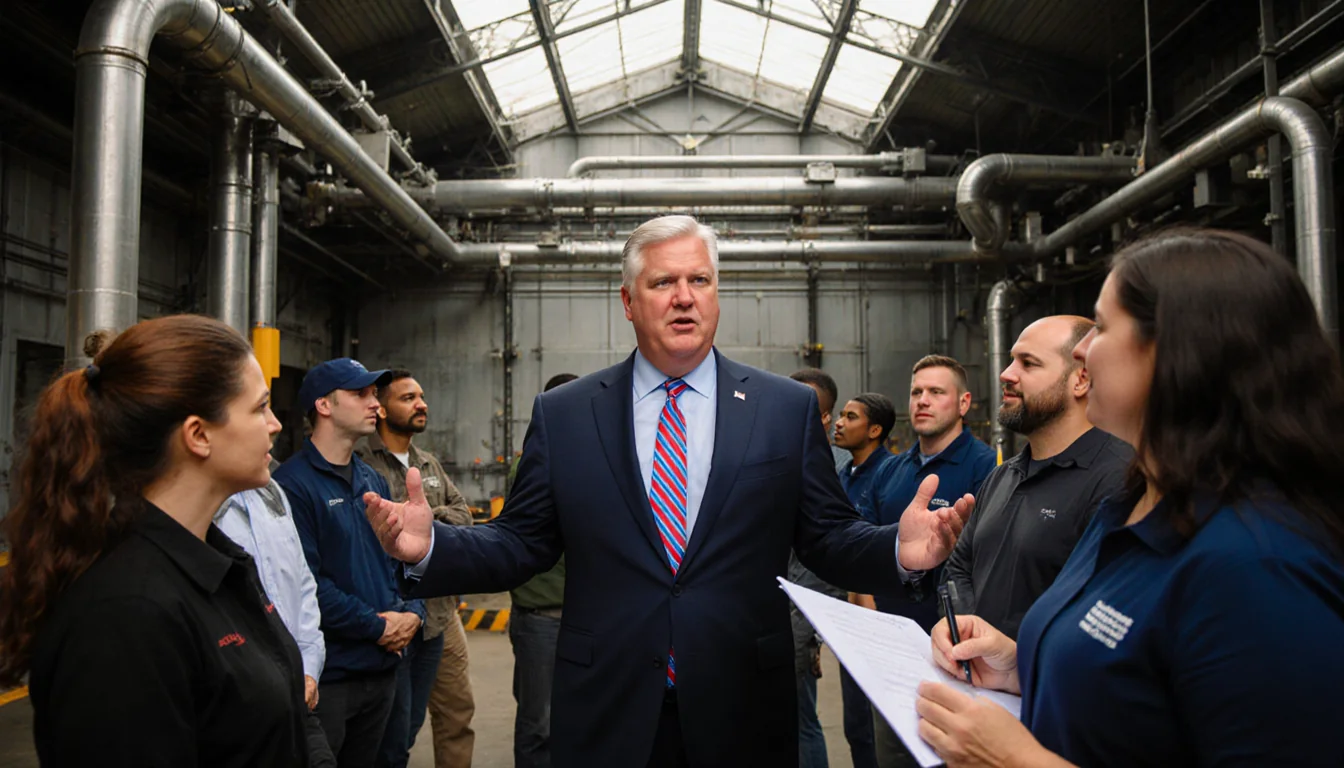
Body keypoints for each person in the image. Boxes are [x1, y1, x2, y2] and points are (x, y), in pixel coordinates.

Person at [364, 215, 972, 766]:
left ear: (716, 293)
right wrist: (432, 547)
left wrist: (897, 550)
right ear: (628, 301)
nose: (684, 296)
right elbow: (523, 541)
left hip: (744, 706)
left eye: (699, 280)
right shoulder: (567, 414)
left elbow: (827, 537)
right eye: (663, 283)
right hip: (608, 705)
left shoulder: (783, 409)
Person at [916, 229, 1344, 766]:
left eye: (1102, 327)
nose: (1081, 350)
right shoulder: (1130, 505)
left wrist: (1015, 760)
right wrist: (1020, 665)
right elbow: (1136, 686)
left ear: (1178, 354)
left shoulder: (1261, 565)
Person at [0, 316, 308, 766]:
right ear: (198, 435)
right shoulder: (126, 617)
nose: (275, 424)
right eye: (260, 407)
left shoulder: (219, 564)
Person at [926, 316, 1131, 641]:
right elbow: (958, 568)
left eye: (1028, 363)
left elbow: (1107, 614)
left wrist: (1012, 658)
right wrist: (967, 633)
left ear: (1081, 380)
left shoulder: (1120, 480)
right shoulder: (1002, 476)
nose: (1006, 374)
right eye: (1011, 360)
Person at [274, 358, 427, 768]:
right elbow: (306, 585)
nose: (374, 403)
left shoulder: (371, 480)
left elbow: (398, 560)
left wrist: (414, 613)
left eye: (374, 393)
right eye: (360, 394)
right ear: (324, 405)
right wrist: (378, 627)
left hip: (385, 669)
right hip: (332, 678)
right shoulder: (293, 486)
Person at [870, 355, 995, 768]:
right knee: (892, 756)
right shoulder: (890, 471)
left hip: (955, 657)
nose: (922, 400)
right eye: (916, 392)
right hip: (890, 651)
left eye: (936, 392)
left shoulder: (988, 470)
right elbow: (867, 547)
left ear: (963, 403)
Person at [358, 370, 476, 768]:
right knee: (399, 731)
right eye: (408, 398)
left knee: (457, 715)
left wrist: (426, 520)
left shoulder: (428, 462)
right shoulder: (363, 464)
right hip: (393, 616)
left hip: (441, 614)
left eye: (421, 396)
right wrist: (428, 523)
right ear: (381, 409)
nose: (421, 404)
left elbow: (464, 517)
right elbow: (374, 537)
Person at [216, 477, 336, 767]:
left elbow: (302, 583)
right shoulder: (198, 510)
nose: (270, 457)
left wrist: (308, 668)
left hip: (297, 696)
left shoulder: (270, 490)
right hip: (245, 710)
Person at [507, 372, 578, 768]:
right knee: (540, 723)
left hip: (580, 614)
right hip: (543, 617)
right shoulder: (532, 465)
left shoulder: (584, 458)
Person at [830, 393, 902, 768]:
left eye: (850, 416)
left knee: (880, 732)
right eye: (840, 414)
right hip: (851, 617)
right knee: (856, 726)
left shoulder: (889, 475)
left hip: (876, 618)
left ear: (874, 430)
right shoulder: (845, 474)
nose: (839, 422)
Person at [786, 368, 850, 768]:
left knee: (800, 718)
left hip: (803, 609)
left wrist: (812, 631)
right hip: (774, 607)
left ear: (826, 417)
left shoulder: (838, 468)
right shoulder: (781, 456)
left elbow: (829, 556)